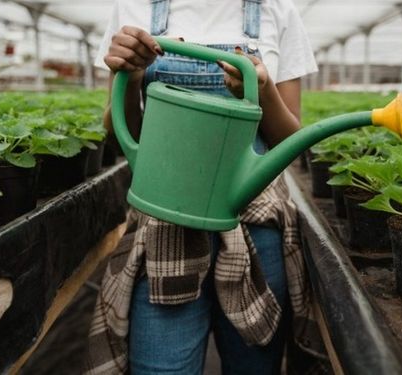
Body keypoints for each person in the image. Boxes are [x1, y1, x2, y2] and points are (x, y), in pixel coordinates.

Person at [83, 1, 323, 374]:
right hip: (165, 226)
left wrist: (261, 91)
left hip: (255, 226)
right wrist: (128, 78)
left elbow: (289, 140)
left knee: (255, 365)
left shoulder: (277, 9)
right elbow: (121, 134)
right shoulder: (133, 7)